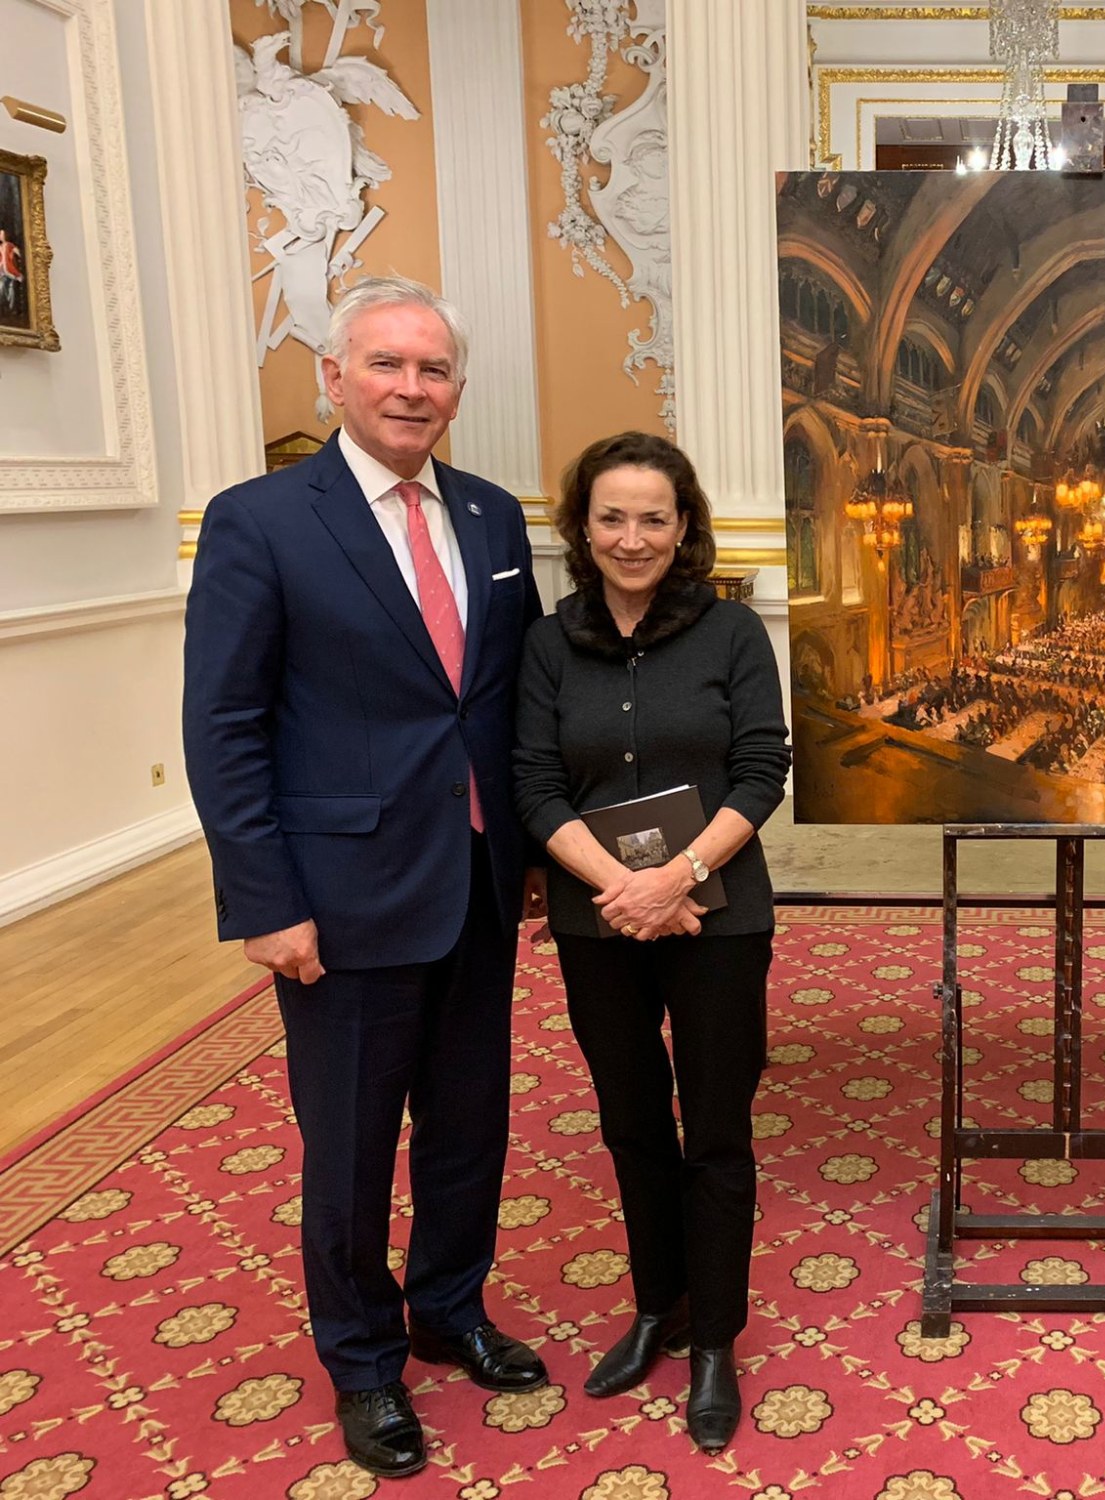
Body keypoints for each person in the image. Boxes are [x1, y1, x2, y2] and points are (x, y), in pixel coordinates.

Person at [183, 276, 547, 1479]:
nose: (411, 387)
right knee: (347, 1148)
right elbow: (225, 724)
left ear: (457, 390)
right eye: (386, 364)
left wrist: (530, 854)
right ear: (332, 378)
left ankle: (449, 1308)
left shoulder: (492, 519)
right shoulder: (260, 519)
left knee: (469, 1125)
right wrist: (264, 899)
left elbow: (506, 703)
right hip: (338, 899)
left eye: (433, 369)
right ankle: (363, 1362)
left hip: (477, 881)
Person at [513, 431, 791, 1453]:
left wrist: (677, 878)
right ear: (581, 528)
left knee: (715, 1131)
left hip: (718, 920)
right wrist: (621, 887)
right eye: (612, 517)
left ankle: (713, 1338)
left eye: (653, 519)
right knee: (631, 1125)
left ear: (684, 529)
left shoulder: (731, 632)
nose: (632, 538)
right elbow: (534, 782)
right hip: (598, 922)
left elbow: (762, 769)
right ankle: (654, 1307)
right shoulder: (547, 644)